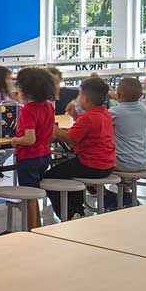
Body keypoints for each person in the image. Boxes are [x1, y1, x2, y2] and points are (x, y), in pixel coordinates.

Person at [47, 76, 116, 220]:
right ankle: (77, 210)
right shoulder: (104, 113)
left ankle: (68, 214)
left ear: (85, 98)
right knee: (69, 172)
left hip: (90, 164)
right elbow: (88, 130)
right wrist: (75, 116)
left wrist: (52, 127)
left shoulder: (87, 118)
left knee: (49, 177)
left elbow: (70, 139)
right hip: (107, 164)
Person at [10, 66, 57, 229]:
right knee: (34, 193)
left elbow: (29, 139)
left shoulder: (28, 110)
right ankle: (36, 225)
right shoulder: (49, 106)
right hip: (44, 156)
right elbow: (51, 135)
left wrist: (16, 140)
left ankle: (32, 228)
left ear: (24, 90)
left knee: (29, 196)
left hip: (29, 157)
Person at [107, 78, 146, 209]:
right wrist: (114, 94)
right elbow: (127, 100)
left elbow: (98, 123)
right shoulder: (144, 108)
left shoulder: (115, 112)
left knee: (94, 163)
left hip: (123, 163)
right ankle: (126, 196)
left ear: (118, 95)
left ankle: (109, 198)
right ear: (141, 95)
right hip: (143, 160)